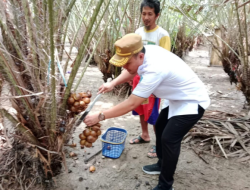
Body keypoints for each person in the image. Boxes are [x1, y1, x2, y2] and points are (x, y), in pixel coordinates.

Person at [84, 34, 210, 190]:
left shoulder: (155, 68)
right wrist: (114, 83)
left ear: (140, 56)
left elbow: (131, 103)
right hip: (175, 97)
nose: (125, 67)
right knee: (160, 126)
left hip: (192, 101)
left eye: (126, 63)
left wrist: (100, 116)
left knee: (169, 138)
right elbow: (132, 68)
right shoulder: (142, 52)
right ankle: (161, 164)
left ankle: (165, 185)